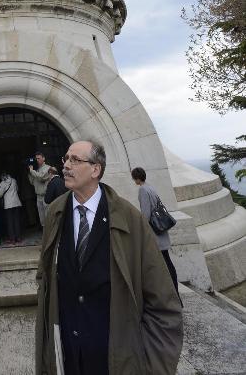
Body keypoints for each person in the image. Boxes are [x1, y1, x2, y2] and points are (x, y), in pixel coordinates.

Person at [36, 140, 183, 375]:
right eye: (66, 158)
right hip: (68, 357)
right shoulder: (55, 212)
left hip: (115, 360)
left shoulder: (131, 219)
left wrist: (154, 366)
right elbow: (45, 278)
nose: (66, 165)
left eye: (75, 160)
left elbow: (163, 304)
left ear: (96, 170)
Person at [131, 166, 180, 296]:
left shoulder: (142, 190)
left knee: (163, 263)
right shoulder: (150, 187)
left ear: (136, 178)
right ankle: (174, 292)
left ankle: (171, 293)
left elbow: (146, 214)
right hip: (161, 229)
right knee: (167, 261)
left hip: (155, 232)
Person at [0, 172, 23, 244]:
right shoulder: (14, 180)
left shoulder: (2, 183)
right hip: (16, 202)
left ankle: (12, 239)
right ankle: (18, 237)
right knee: (16, 220)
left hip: (8, 204)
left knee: (10, 222)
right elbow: (17, 189)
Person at [28, 151, 50, 227]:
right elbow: (32, 182)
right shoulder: (36, 170)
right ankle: (45, 237)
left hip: (45, 196)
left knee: (48, 218)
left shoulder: (47, 168)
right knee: (42, 219)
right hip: (38, 196)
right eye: (36, 158)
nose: (37, 160)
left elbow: (41, 177)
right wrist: (30, 173)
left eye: (38, 158)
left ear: (43, 158)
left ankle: (50, 237)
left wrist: (32, 171)